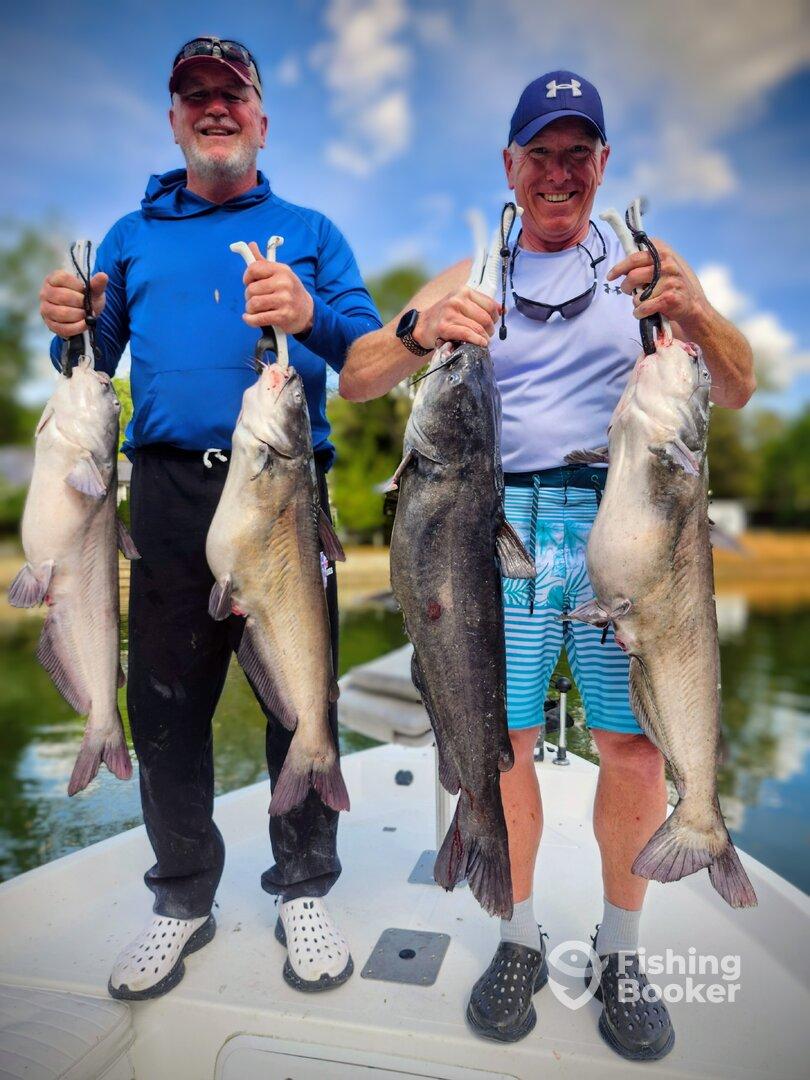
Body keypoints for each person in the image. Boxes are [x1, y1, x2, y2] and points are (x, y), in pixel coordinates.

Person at [340, 71, 755, 1059]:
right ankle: (518, 938)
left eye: (579, 154)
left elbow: (737, 387)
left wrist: (695, 313)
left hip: (627, 518)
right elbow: (357, 377)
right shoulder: (478, 266)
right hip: (495, 526)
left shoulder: (647, 259)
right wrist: (420, 329)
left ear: (603, 165)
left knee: (635, 750)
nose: (559, 173)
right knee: (504, 745)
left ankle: (621, 952)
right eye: (541, 153)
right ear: (511, 166)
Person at [39, 36, 381, 1001]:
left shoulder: (311, 227)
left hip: (282, 496)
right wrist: (67, 321)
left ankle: (303, 884)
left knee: (303, 695)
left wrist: (310, 312)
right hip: (167, 494)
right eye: (195, 95)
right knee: (166, 709)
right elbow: (88, 371)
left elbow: (363, 364)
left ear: (262, 118)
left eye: (231, 94)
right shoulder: (131, 235)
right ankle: (183, 897)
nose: (213, 108)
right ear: (175, 118)